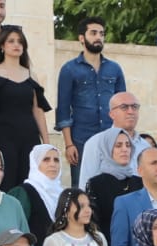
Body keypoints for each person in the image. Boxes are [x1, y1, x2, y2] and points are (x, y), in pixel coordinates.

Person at [0, 25, 50, 195]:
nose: (16, 45)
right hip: (4, 138)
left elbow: (38, 110)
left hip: (30, 138)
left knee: (30, 185)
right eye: (11, 41)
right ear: (2, 46)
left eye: (20, 41)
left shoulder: (31, 75)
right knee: (6, 184)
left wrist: (46, 143)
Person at [55, 17, 125, 186]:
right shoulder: (69, 69)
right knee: (82, 187)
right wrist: (69, 144)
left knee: (114, 186)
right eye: (93, 33)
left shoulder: (114, 69)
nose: (98, 37)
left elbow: (123, 104)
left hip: (111, 138)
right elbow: (63, 109)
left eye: (101, 33)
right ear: (81, 38)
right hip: (81, 140)